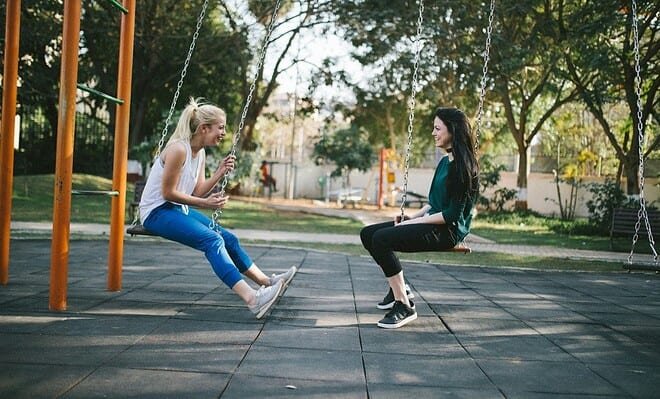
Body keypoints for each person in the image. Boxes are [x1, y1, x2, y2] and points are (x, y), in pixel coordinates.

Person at [139, 97, 296, 319]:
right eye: (220, 127)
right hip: (157, 212)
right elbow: (168, 193)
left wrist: (220, 172)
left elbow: (198, 190)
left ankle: (267, 282)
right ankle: (252, 299)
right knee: (212, 240)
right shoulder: (178, 150)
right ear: (204, 128)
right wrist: (205, 204)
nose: (223, 132)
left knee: (228, 238)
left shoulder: (200, 152)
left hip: (175, 210)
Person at [360, 107, 479, 329]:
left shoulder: (464, 168)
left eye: (437, 128)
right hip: (434, 221)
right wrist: (411, 217)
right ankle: (400, 288)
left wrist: (415, 222)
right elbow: (433, 203)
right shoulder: (445, 162)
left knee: (382, 239)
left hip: (449, 230)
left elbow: (451, 214)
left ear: (452, 130)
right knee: (368, 234)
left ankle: (404, 305)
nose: (433, 133)